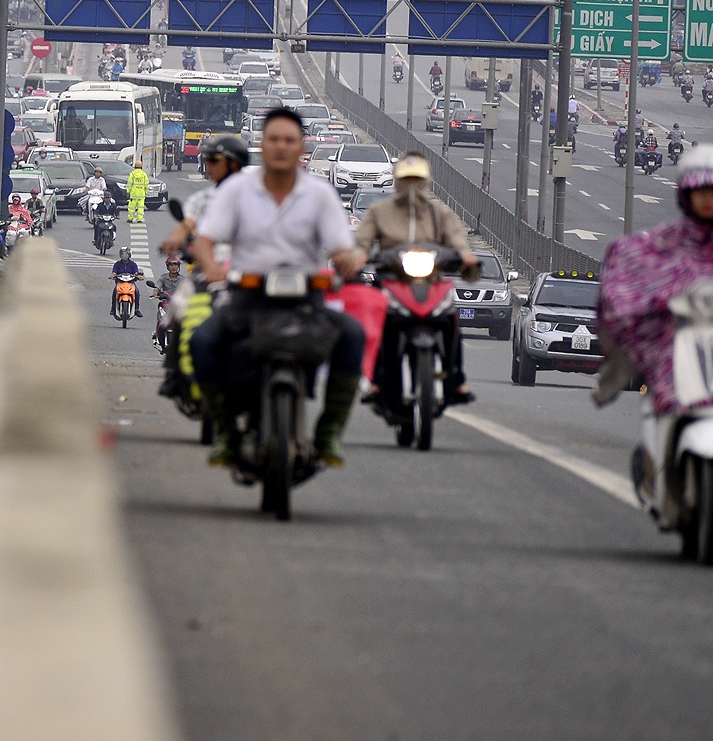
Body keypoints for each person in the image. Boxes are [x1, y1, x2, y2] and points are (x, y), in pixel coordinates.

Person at [188, 107, 367, 469]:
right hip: (247, 297)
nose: (281, 147)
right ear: (261, 143)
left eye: (289, 140)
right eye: (274, 139)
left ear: (302, 147)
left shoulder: (320, 195)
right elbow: (205, 240)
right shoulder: (237, 190)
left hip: (306, 300)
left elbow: (340, 247)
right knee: (202, 340)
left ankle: (329, 431)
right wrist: (211, 268)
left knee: (352, 335)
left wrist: (348, 261)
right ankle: (225, 431)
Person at [353, 153, 480, 411]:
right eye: (406, 179)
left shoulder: (440, 213)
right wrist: (359, 256)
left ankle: (456, 380)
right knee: (376, 322)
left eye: (417, 179)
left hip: (431, 283)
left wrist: (465, 257)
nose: (412, 185)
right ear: (397, 180)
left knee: (450, 319)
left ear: (426, 181)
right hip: (392, 281)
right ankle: (376, 381)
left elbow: (457, 241)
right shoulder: (379, 211)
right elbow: (362, 242)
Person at [597, 145, 713, 423]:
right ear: (685, 194)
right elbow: (624, 287)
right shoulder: (662, 242)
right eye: (700, 191)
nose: (707, 199)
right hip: (676, 347)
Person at [110, 247, 143, 318]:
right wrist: (112, 276)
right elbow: (114, 272)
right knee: (115, 291)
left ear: (129, 255)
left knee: (136, 291)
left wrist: (138, 276)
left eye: (126, 254)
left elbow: (136, 272)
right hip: (120, 282)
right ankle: (113, 308)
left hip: (130, 282)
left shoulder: (133, 264)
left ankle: (136, 309)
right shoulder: (117, 264)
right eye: (122, 254)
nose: (124, 256)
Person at [125, 157, 150, 225]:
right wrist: (146, 192)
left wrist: (128, 192)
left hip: (133, 194)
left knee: (131, 207)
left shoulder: (132, 174)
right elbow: (146, 184)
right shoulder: (144, 174)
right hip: (141, 194)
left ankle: (130, 219)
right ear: (141, 166)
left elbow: (129, 184)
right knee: (141, 207)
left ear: (135, 166)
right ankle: (139, 219)